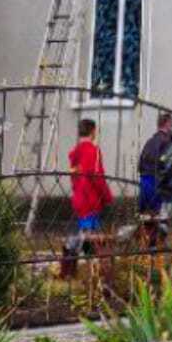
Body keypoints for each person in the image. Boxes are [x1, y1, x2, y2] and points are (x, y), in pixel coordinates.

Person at [65, 117, 113, 276]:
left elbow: (73, 178)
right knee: (90, 236)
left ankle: (73, 267)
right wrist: (107, 196)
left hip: (78, 198)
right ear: (93, 131)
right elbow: (97, 177)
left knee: (85, 233)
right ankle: (93, 271)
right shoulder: (94, 151)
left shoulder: (74, 153)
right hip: (91, 199)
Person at [136, 112, 172, 249]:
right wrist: (167, 183)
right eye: (171, 124)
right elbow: (168, 165)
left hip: (144, 180)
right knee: (158, 215)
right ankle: (155, 247)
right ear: (167, 124)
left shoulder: (150, 141)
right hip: (157, 181)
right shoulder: (167, 142)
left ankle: (146, 245)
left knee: (145, 214)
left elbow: (140, 163)